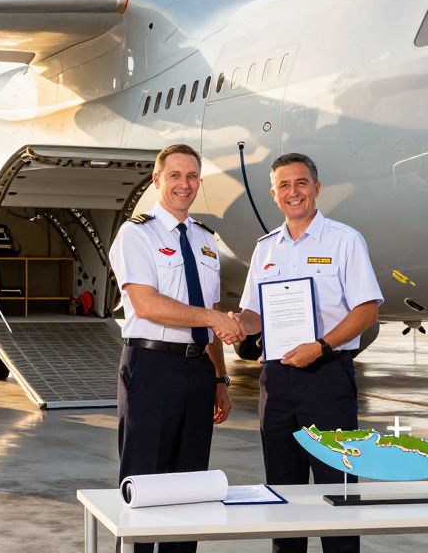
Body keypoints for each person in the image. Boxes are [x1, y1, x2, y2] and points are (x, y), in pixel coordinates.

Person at [237, 152, 383, 553]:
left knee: (338, 496)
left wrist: (319, 347)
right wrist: (232, 324)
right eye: (284, 185)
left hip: (327, 378)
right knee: (283, 499)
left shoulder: (344, 240)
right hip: (278, 382)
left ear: (317, 188)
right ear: (273, 194)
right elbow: (254, 315)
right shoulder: (266, 249)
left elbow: (367, 309)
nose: (293, 192)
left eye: (301, 183)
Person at [108, 143, 245, 553]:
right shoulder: (136, 233)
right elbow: (147, 304)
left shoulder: (206, 241)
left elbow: (212, 311)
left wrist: (220, 378)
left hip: (197, 372)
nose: (184, 184)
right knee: (144, 483)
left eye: (191, 177)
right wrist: (213, 320)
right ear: (157, 180)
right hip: (150, 367)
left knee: (190, 488)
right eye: (175, 175)